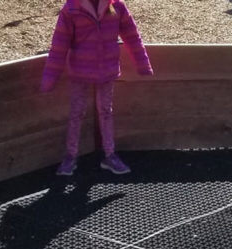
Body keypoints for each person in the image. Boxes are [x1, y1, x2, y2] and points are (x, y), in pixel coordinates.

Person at [40, 0, 154, 176]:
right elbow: (59, 44)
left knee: (106, 111)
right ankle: (71, 156)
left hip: (105, 71)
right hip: (80, 71)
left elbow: (132, 36)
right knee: (76, 112)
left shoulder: (116, 6)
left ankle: (109, 155)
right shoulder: (72, 8)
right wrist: (50, 77)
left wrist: (142, 64)